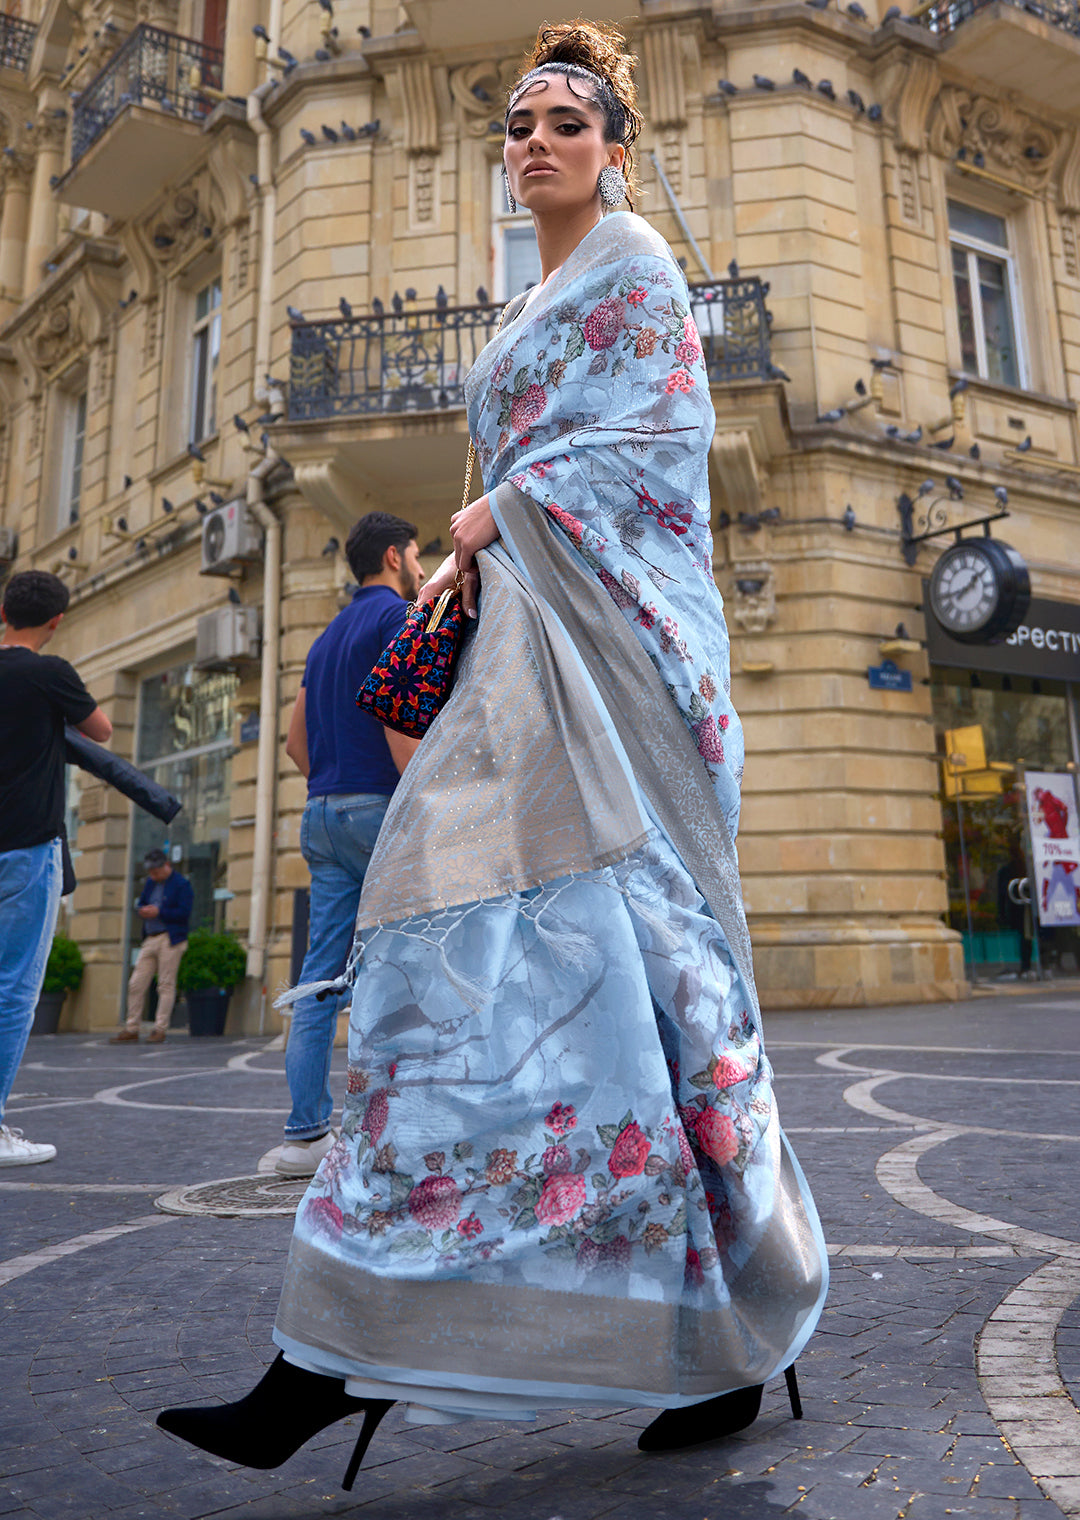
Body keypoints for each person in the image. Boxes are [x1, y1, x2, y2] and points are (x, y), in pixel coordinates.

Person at [158, 21, 828, 1481]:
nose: (535, 141)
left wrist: (490, 517)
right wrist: (496, 532)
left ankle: (722, 1330)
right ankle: (337, 1346)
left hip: (621, 670)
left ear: (615, 149)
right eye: (518, 124)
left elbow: (653, 452)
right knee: (449, 978)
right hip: (531, 655)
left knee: (646, 994)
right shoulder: (533, 298)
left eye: (565, 123)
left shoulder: (640, 265)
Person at [275, 513, 424, 1177]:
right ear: (394, 557)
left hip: (321, 812)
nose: (422, 568)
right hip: (378, 808)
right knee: (407, 964)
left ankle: (304, 1136)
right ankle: (403, 1122)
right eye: (418, 556)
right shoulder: (397, 618)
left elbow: (294, 743)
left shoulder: (326, 636)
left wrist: (336, 793)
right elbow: (400, 713)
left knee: (319, 978)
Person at [0, 570, 112, 1166]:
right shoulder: (48, 673)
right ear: (56, 621)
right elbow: (101, 728)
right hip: (26, 847)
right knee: (14, 990)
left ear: (2, 611)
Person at [110, 849, 193, 1044]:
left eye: (156, 871)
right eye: (151, 872)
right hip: (151, 937)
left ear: (166, 866)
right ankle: (132, 1027)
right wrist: (144, 910)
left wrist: (159, 912)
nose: (153, 876)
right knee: (136, 983)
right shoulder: (150, 883)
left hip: (170, 938)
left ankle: (160, 1028)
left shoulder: (182, 884)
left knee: (165, 984)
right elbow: (142, 902)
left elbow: (184, 912)